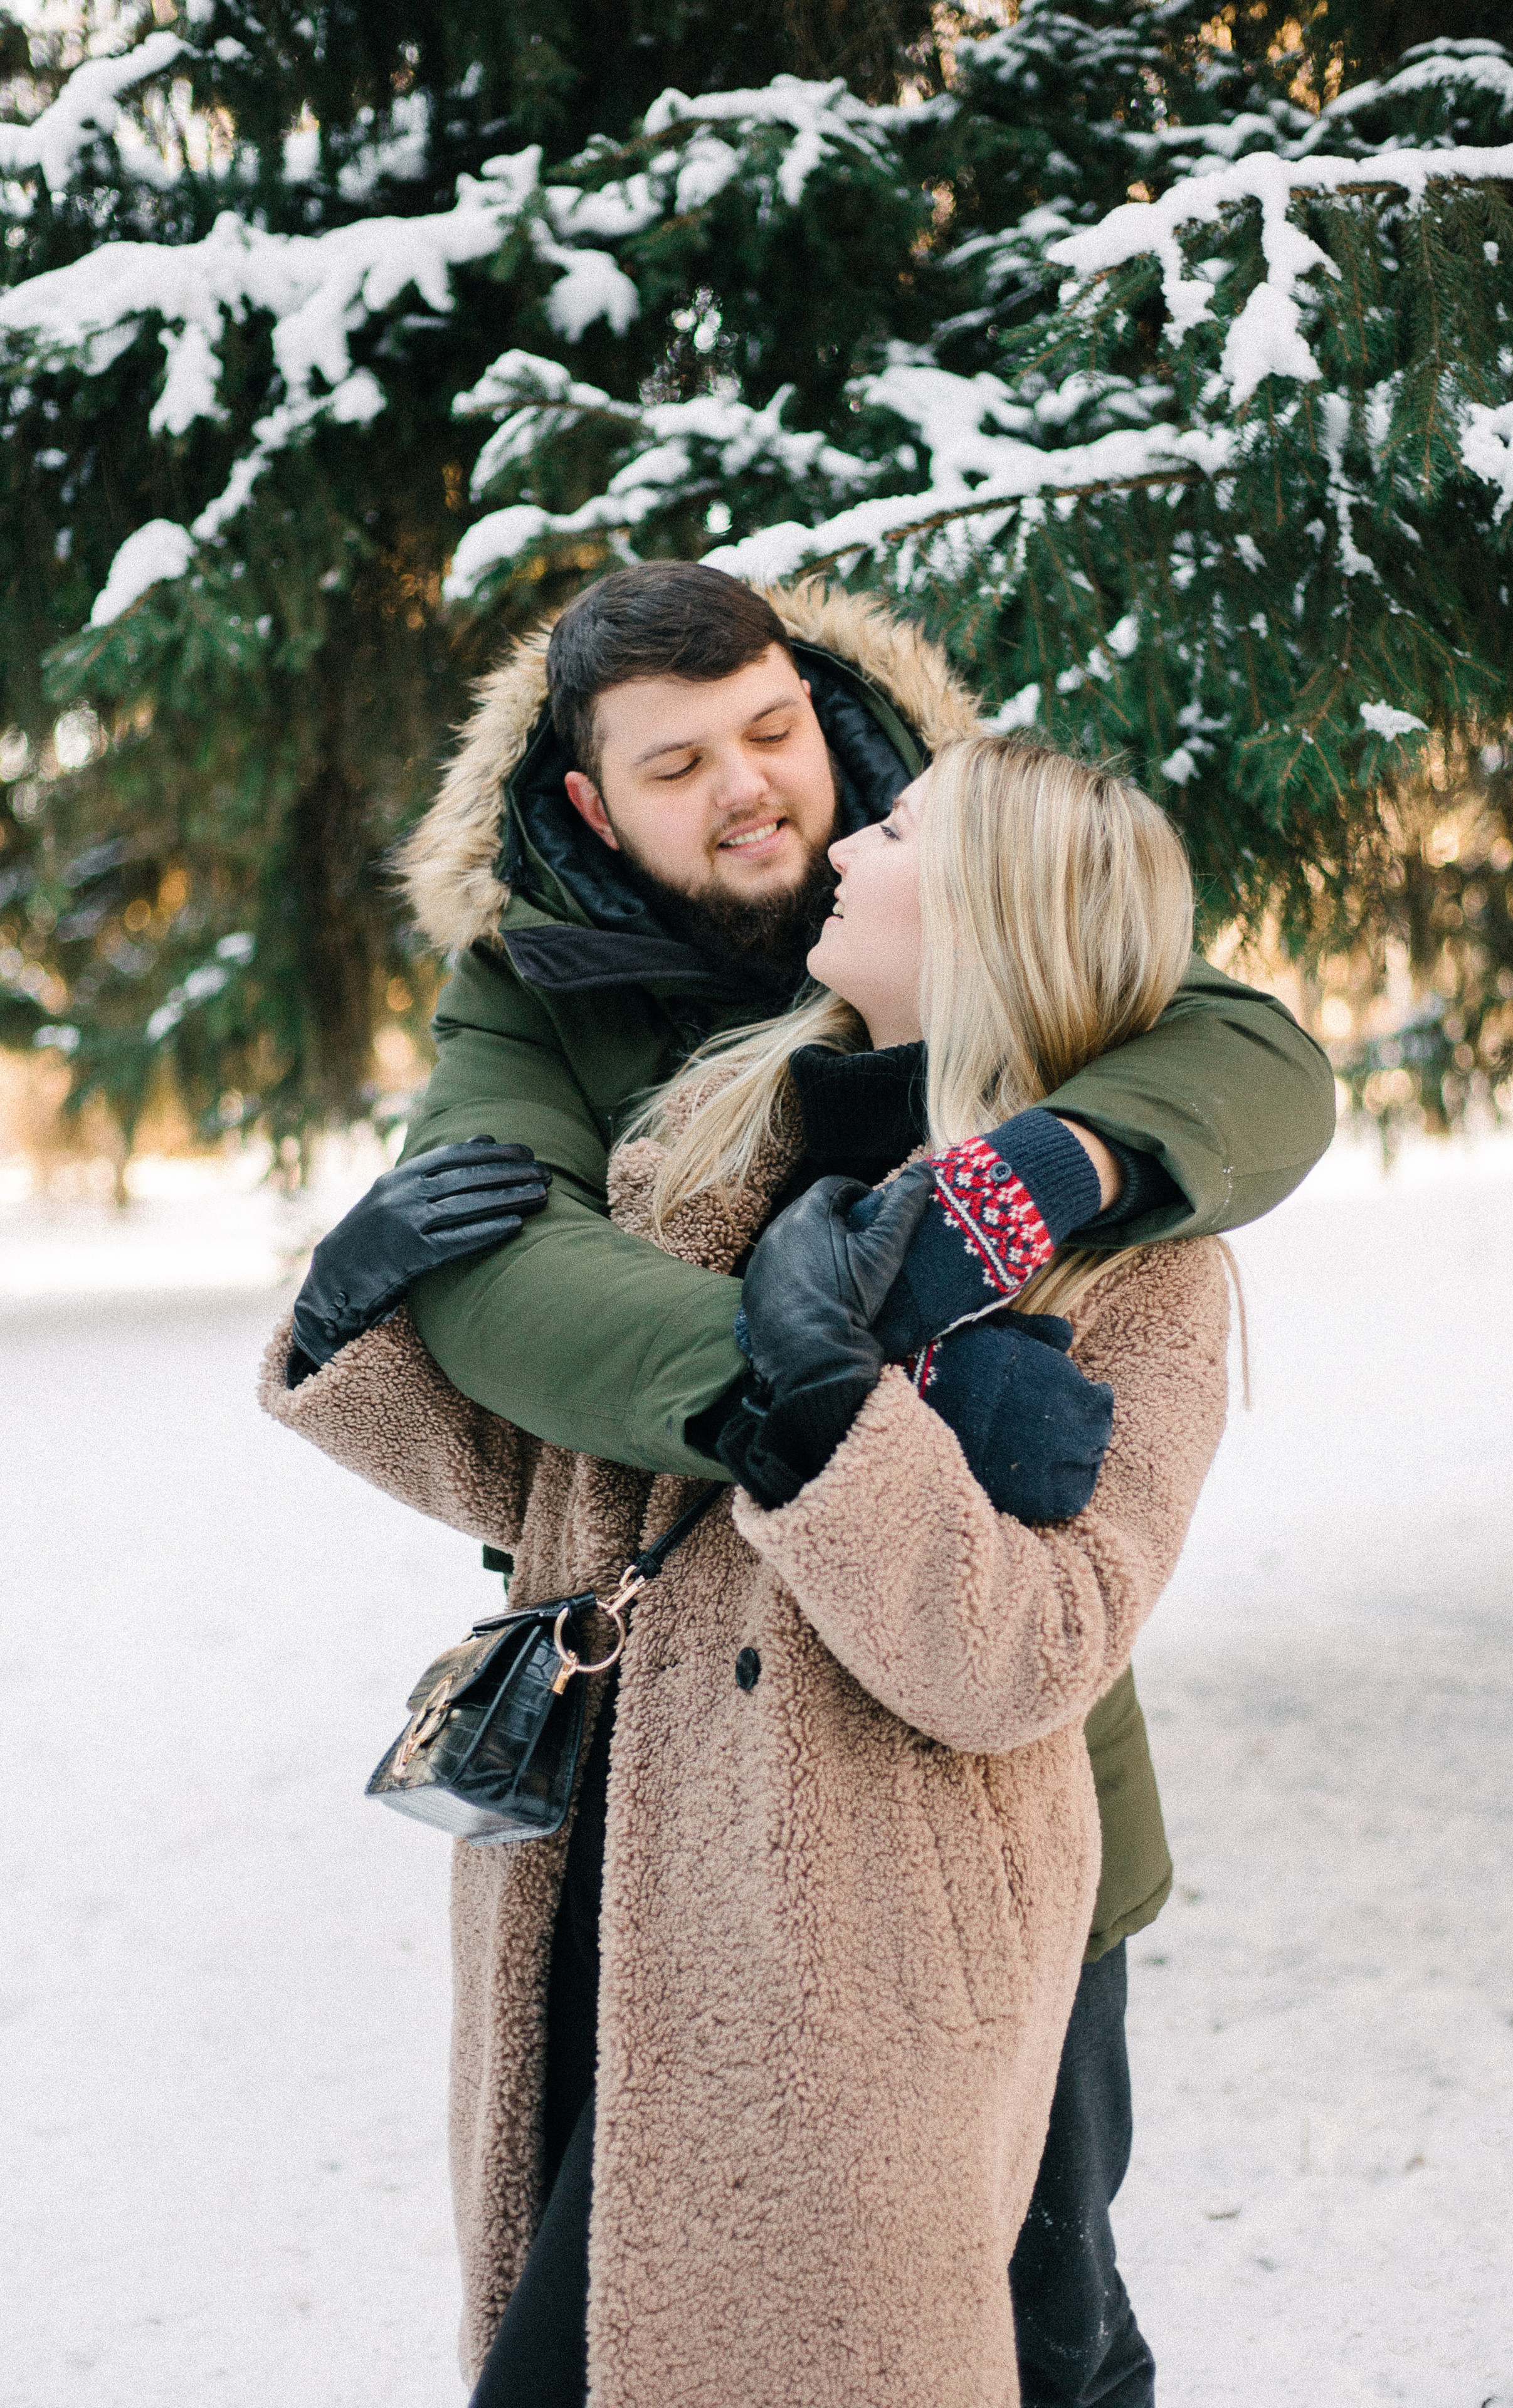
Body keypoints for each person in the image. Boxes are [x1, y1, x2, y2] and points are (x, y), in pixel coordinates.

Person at [275, 565, 1334, 2402]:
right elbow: (514, 1312)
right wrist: (829, 1385)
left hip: (965, 1826)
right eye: (679, 765)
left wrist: (1071, 1165)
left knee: (1042, 2323)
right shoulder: (563, 1017)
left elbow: (1252, 1055)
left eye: (774, 732)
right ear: (593, 804)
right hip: (658, 1792)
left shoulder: (995, 900)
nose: (761, 794)